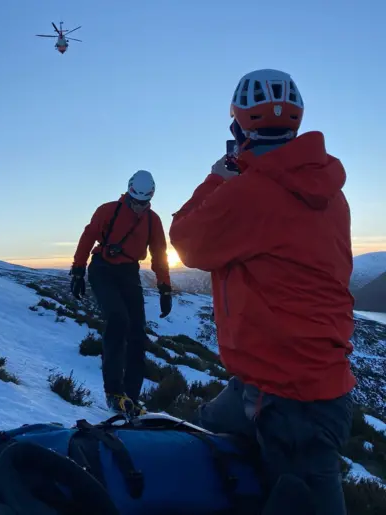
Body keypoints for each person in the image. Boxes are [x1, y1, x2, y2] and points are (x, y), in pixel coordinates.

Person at [169, 69, 356, 515]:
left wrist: (219, 178)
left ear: (238, 124)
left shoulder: (250, 192)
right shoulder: (330, 192)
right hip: (284, 384)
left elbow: (186, 240)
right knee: (204, 435)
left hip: (292, 400)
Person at [70, 170, 172, 415]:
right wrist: (77, 270)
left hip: (129, 273)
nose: (139, 207)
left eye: (144, 203)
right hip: (102, 269)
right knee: (117, 319)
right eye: (135, 201)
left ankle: (131, 398)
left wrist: (165, 288)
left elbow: (160, 254)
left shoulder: (152, 220)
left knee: (137, 333)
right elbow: (88, 237)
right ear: (128, 193)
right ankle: (114, 391)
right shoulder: (107, 210)